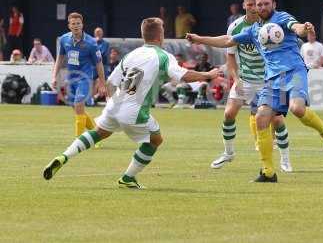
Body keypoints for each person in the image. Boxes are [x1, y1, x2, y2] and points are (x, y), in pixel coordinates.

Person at [43, 17, 219, 189]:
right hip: (134, 110)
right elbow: (183, 75)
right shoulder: (164, 56)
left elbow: (111, 84)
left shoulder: (131, 54)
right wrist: (207, 75)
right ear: (159, 36)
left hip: (115, 104)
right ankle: (128, 178)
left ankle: (64, 156)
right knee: (155, 140)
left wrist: (113, 104)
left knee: (99, 133)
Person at [187, 0, 323, 183]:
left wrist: (305, 28)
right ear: (255, 7)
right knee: (261, 118)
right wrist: (199, 38)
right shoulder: (252, 30)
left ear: (273, 4)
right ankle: (268, 172)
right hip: (272, 79)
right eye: (259, 4)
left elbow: (296, 27)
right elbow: (228, 40)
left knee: (297, 108)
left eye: (266, 3)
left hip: (293, 72)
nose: (262, 7)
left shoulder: (282, 17)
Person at [210, 0, 292, 172]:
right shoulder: (236, 27)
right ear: (244, 5)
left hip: (269, 79)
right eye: (249, 5)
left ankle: (285, 159)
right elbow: (230, 56)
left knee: (277, 120)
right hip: (246, 79)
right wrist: (236, 78)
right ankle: (228, 153)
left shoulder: (271, 25)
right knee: (229, 113)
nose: (253, 8)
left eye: (256, 5)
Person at [51, 12, 107, 137]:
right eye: (73, 23)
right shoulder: (64, 39)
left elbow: (99, 64)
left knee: (78, 104)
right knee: (77, 108)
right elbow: (59, 59)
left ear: (82, 25)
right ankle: (95, 135)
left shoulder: (91, 42)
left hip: (85, 78)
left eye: (78, 23)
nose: (76, 26)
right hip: (70, 79)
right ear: (69, 26)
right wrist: (54, 76)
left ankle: (79, 141)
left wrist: (102, 83)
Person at [92, 27, 110, 104]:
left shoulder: (105, 43)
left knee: (103, 82)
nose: (98, 33)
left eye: (100, 32)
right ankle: (91, 100)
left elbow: (101, 54)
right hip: (92, 66)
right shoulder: (91, 42)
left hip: (102, 66)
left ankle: (107, 100)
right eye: (97, 32)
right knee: (92, 83)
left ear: (102, 34)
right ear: (94, 33)